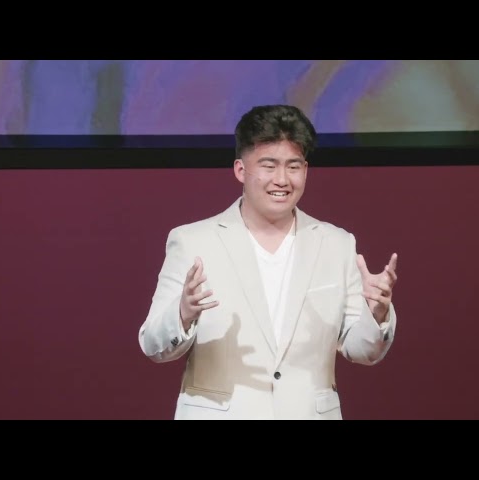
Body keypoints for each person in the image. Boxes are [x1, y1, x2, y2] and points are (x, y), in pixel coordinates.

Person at [139, 104, 398, 420]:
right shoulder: (193, 241)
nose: (282, 179)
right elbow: (152, 344)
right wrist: (182, 313)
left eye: (293, 166)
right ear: (240, 170)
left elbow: (363, 351)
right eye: (268, 165)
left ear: (305, 170)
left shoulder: (337, 244)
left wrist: (376, 312)